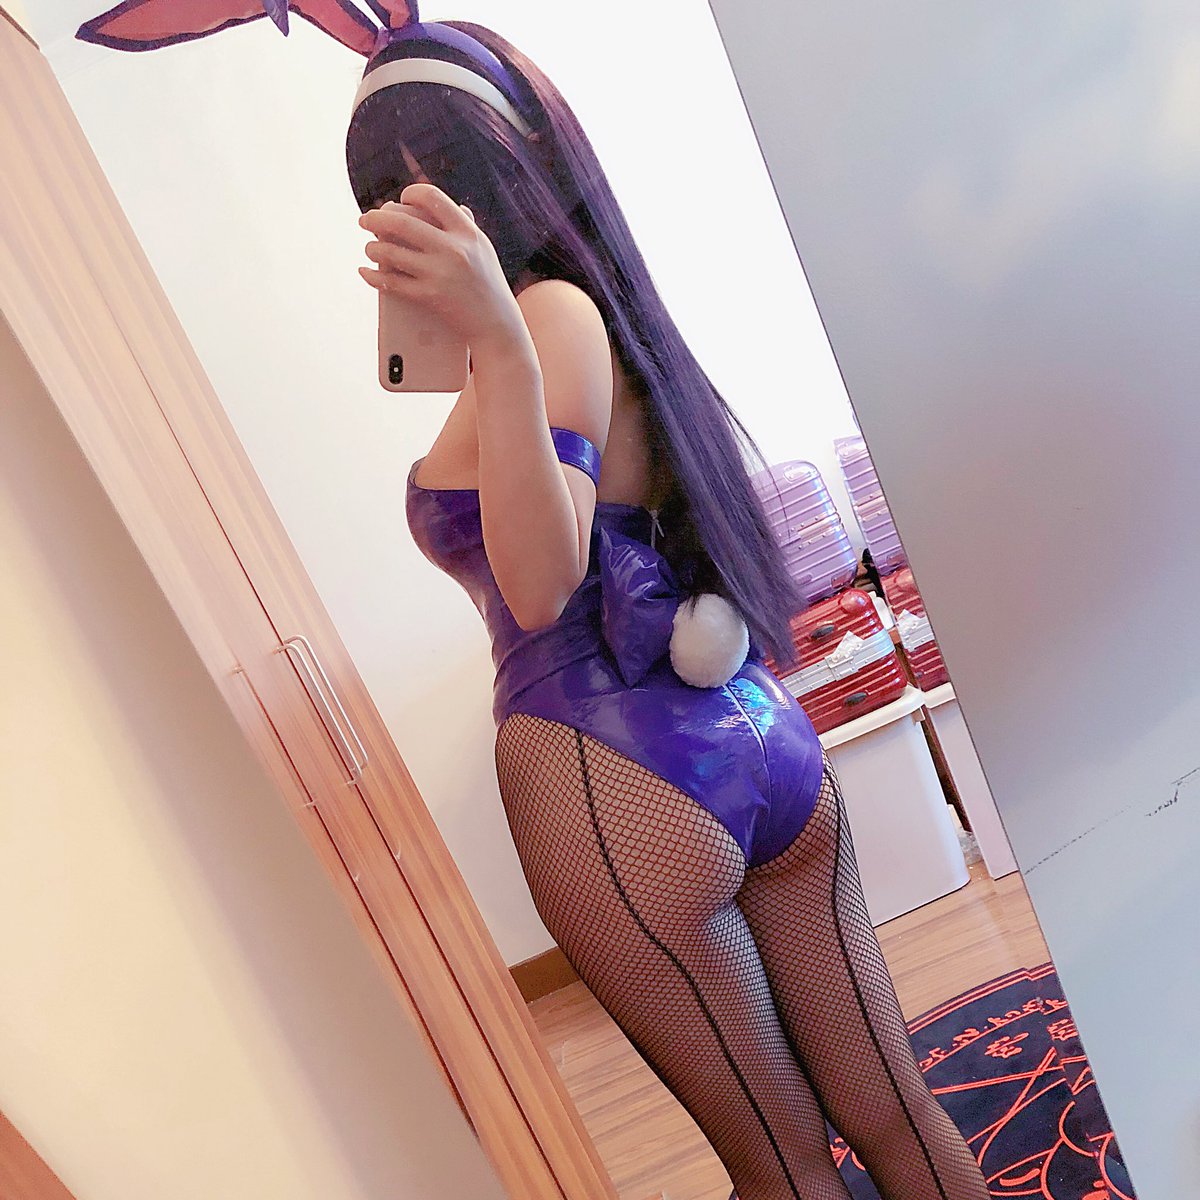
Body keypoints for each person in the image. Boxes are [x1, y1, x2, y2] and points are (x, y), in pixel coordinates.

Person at [78, 4, 993, 1197]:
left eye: (436, 172)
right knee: (892, 1108)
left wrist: (499, 350)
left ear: (504, 171)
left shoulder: (544, 318)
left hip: (615, 771)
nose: (409, 204)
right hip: (755, 734)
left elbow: (542, 579)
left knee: (785, 1171)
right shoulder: (590, 310)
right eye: (382, 187)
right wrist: (488, 353)